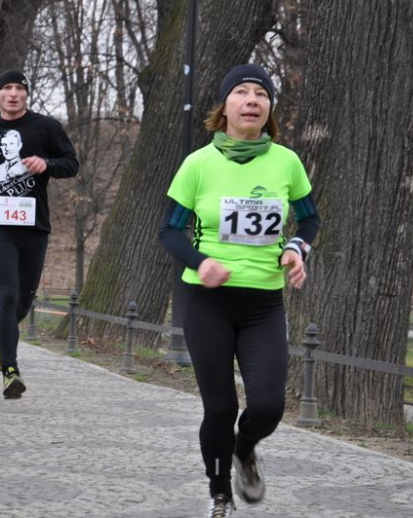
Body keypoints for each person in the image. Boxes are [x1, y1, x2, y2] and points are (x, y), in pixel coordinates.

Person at [158, 64, 321, 517]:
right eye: (241, 92)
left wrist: (295, 248)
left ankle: (244, 449)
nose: (251, 100)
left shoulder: (286, 161)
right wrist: (201, 261)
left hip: (263, 305)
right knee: (220, 407)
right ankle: (220, 494)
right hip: (206, 302)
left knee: (268, 405)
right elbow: (170, 232)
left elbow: (309, 219)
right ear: (225, 107)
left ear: (268, 109)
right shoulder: (198, 163)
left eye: (261, 94)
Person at [0, 69, 79, 398]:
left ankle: (1, 332)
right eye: (7, 88)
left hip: (34, 225)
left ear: (26, 94)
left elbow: (71, 163)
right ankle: (10, 370)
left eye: (19, 89)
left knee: (24, 299)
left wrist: (48, 164)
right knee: (8, 292)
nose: (13, 94)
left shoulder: (45, 127)